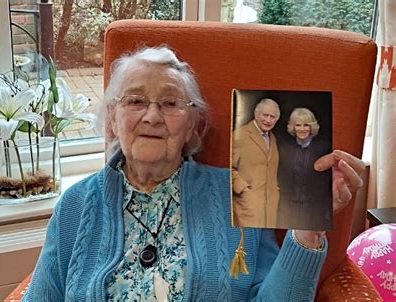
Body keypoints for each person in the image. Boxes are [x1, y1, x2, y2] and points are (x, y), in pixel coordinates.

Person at [22, 46, 365, 301]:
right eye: (135, 101)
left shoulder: (236, 193)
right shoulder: (77, 204)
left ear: (192, 126)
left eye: (171, 104)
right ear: (112, 118)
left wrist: (307, 230)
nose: (152, 117)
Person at [277, 108, 332, 230]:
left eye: (306, 125)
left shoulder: (324, 148)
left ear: (312, 127)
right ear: (293, 127)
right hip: (289, 206)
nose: (302, 129)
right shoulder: (284, 148)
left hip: (314, 208)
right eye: (298, 125)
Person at [231, 99, 280, 228]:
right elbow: (228, 167)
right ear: (256, 114)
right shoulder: (240, 135)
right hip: (247, 205)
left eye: (272, 117)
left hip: (270, 206)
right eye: (265, 115)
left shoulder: (272, 138)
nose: (268, 120)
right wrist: (243, 189)